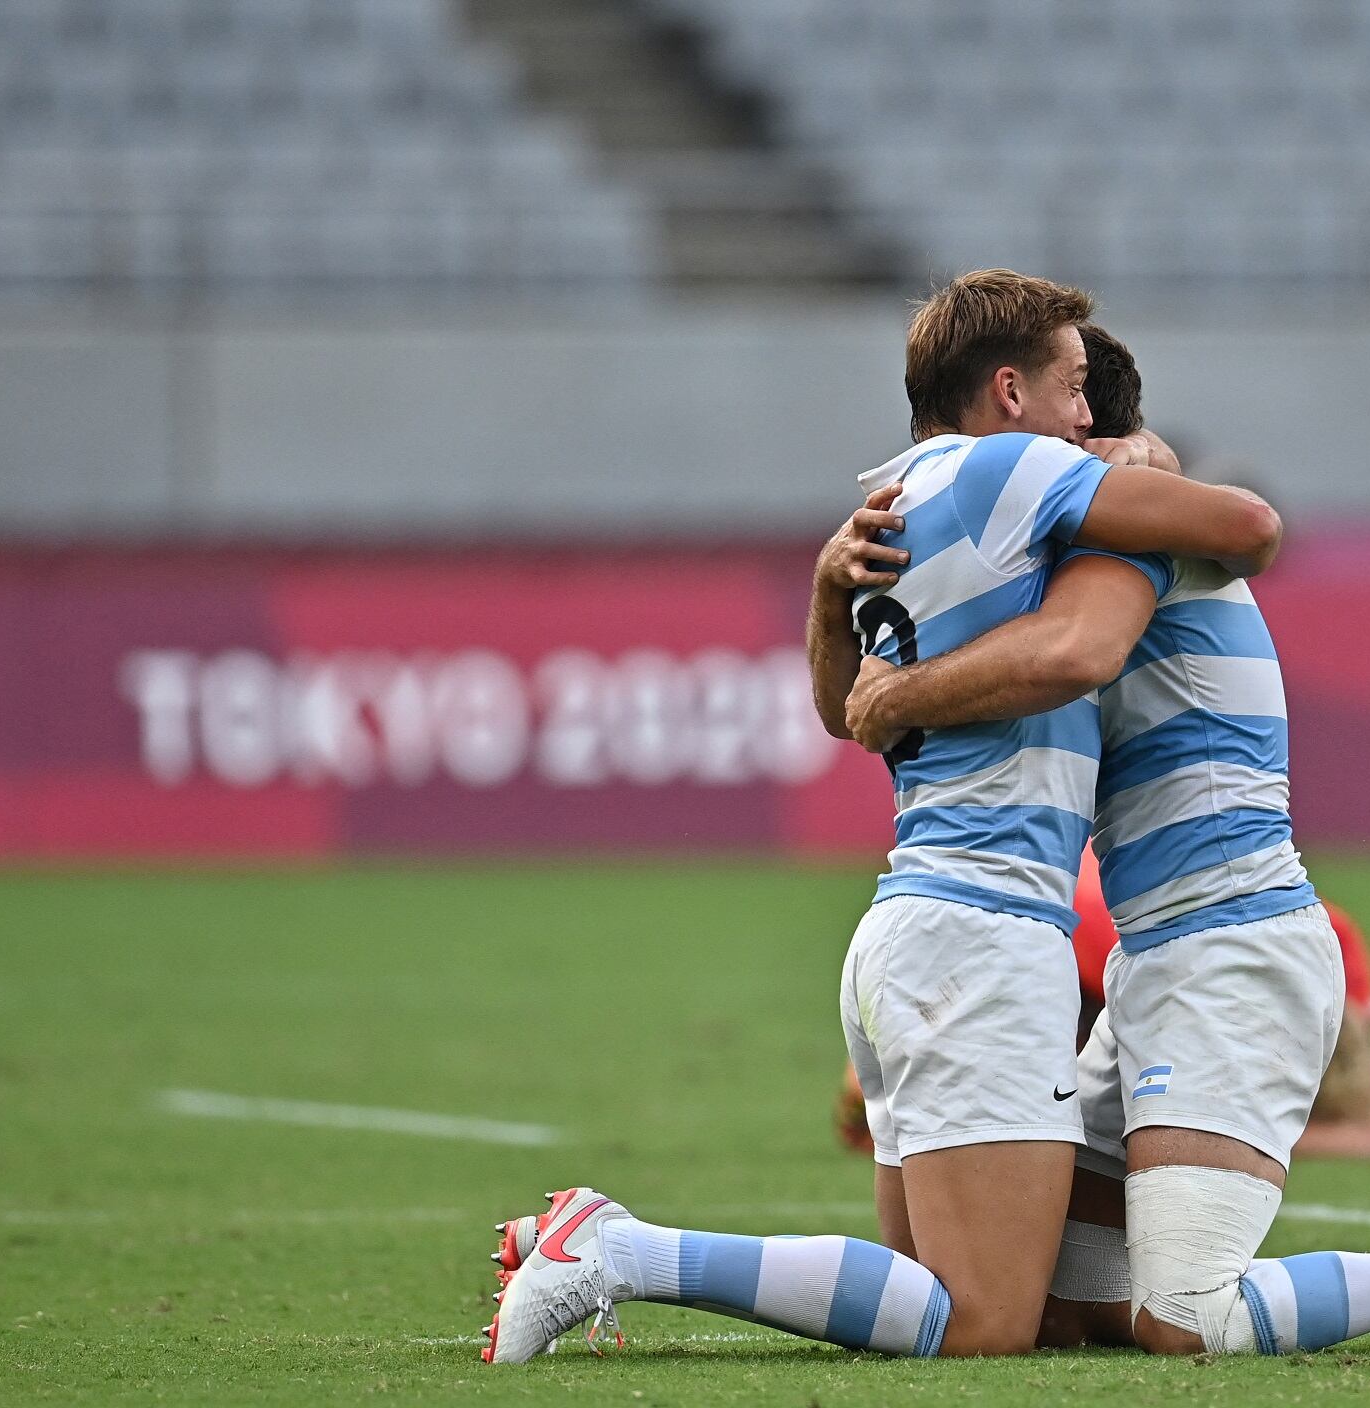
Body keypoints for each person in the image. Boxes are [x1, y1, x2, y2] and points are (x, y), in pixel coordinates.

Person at [481, 270, 1293, 1364]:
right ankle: (625, 1250)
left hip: (905, 930)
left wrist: (827, 602)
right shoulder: (1012, 467)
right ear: (1007, 392)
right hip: (985, 940)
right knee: (980, 1319)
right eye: (1068, 388)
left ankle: (611, 1248)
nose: (1085, 417)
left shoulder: (891, 502)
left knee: (936, 1302)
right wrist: (1146, 467)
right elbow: (1245, 525)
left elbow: (841, 711)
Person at [843, 322, 1370, 1358]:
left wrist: (896, 694)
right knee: (1054, 1305)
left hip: (1234, 944)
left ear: (1077, 431)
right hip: (1164, 957)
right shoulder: (1067, 536)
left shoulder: (1119, 539)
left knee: (1187, 1321)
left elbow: (1075, 648)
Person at [838, 848, 1370, 1163]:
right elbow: (1193, 1127)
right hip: (1047, 929)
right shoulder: (1315, 950)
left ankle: (903, 1074)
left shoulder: (1327, 941)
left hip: (1046, 900)